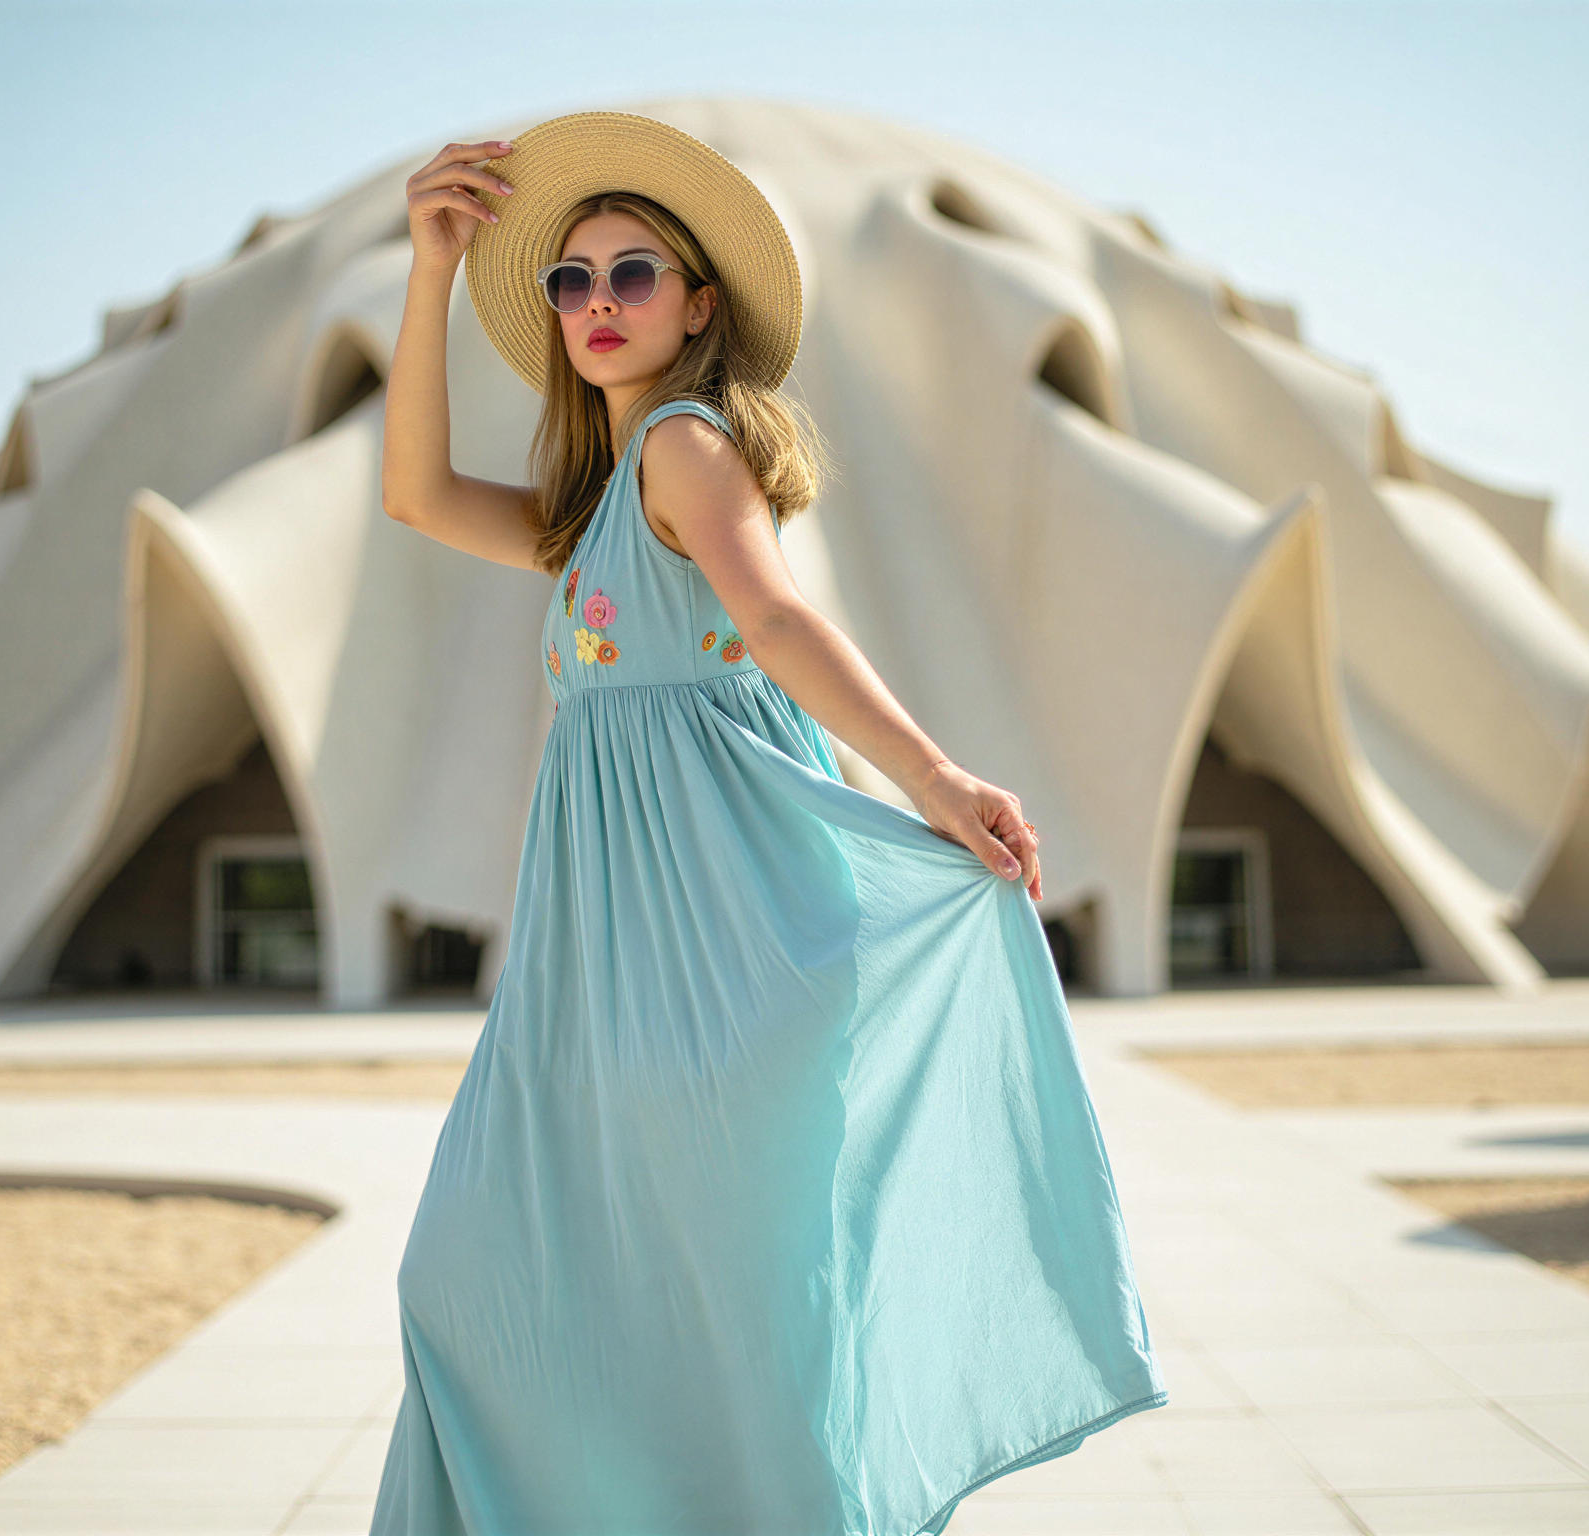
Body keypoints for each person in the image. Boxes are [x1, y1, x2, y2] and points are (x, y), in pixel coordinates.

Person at [370, 110, 1166, 1536]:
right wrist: (429, 271)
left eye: (633, 273)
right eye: (571, 280)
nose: (598, 303)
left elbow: (781, 618)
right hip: (607, 961)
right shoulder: (593, 505)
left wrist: (934, 780)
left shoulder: (683, 446)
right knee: (490, 1281)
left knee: (704, 1313)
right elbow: (417, 496)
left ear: (699, 306)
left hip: (723, 945)